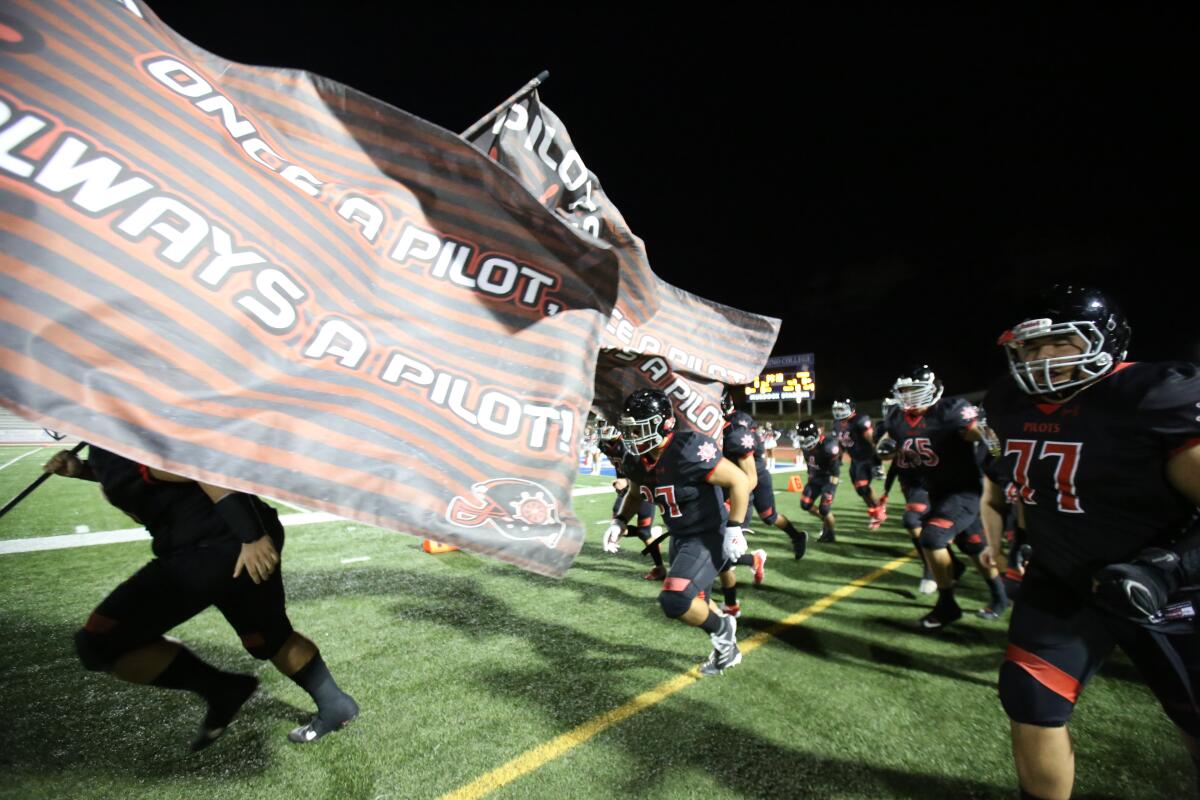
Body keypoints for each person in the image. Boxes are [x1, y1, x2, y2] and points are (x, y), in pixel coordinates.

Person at [980, 285, 1200, 800]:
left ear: (1106, 340)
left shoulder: (1149, 395)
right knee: (1030, 698)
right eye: (1029, 348)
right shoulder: (1007, 404)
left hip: (1166, 588)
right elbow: (1019, 484)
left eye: (1056, 343)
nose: (1039, 358)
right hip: (1062, 578)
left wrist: (1163, 568)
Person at [44, 445, 359, 750]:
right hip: (226, 539)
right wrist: (84, 470)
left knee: (100, 641)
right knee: (266, 637)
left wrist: (250, 535)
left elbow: (197, 464)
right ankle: (335, 704)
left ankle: (223, 689)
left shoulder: (122, 432)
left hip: (220, 544)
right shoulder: (108, 445)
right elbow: (143, 482)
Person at [603, 389, 751, 676]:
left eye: (639, 428)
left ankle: (724, 630)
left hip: (709, 535)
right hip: (680, 536)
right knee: (698, 602)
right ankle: (726, 649)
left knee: (675, 600)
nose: (632, 436)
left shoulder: (689, 449)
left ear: (664, 424)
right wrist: (619, 521)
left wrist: (734, 528)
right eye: (629, 429)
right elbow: (635, 494)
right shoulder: (636, 458)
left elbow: (739, 481)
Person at [877, 366, 1007, 628]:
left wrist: (990, 444)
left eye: (915, 391)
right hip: (936, 490)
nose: (909, 397)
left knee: (932, 537)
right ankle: (1000, 597)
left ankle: (947, 605)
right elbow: (885, 448)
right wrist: (885, 449)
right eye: (904, 392)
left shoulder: (951, 410)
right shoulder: (895, 416)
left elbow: (983, 436)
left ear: (934, 390)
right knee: (975, 546)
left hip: (964, 491)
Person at [723, 393, 809, 560]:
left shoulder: (739, 420)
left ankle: (796, 536)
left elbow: (752, 449)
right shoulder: (715, 421)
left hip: (753, 472)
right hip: (733, 473)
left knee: (769, 516)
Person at [595, 419, 665, 580]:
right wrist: (620, 480)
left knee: (644, 531)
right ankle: (650, 534)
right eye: (600, 425)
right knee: (616, 527)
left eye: (605, 424)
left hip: (642, 487)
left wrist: (626, 481)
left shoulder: (629, 443)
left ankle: (659, 567)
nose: (602, 428)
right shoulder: (603, 444)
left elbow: (644, 468)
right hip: (625, 491)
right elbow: (620, 465)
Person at [831, 398, 887, 530]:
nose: (838, 412)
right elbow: (841, 443)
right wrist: (837, 459)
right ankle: (876, 508)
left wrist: (878, 462)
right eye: (837, 409)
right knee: (860, 490)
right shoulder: (837, 423)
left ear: (851, 408)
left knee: (862, 486)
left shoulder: (859, 419)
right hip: (855, 459)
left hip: (866, 457)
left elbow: (872, 440)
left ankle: (877, 512)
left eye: (841, 408)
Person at [796, 420, 840, 544]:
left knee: (824, 509)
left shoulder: (828, 446)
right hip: (815, 478)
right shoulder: (806, 447)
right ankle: (827, 520)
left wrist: (831, 487)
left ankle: (830, 533)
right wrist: (810, 476)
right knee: (805, 505)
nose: (804, 442)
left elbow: (835, 471)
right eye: (802, 439)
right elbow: (810, 464)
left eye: (806, 439)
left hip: (828, 479)